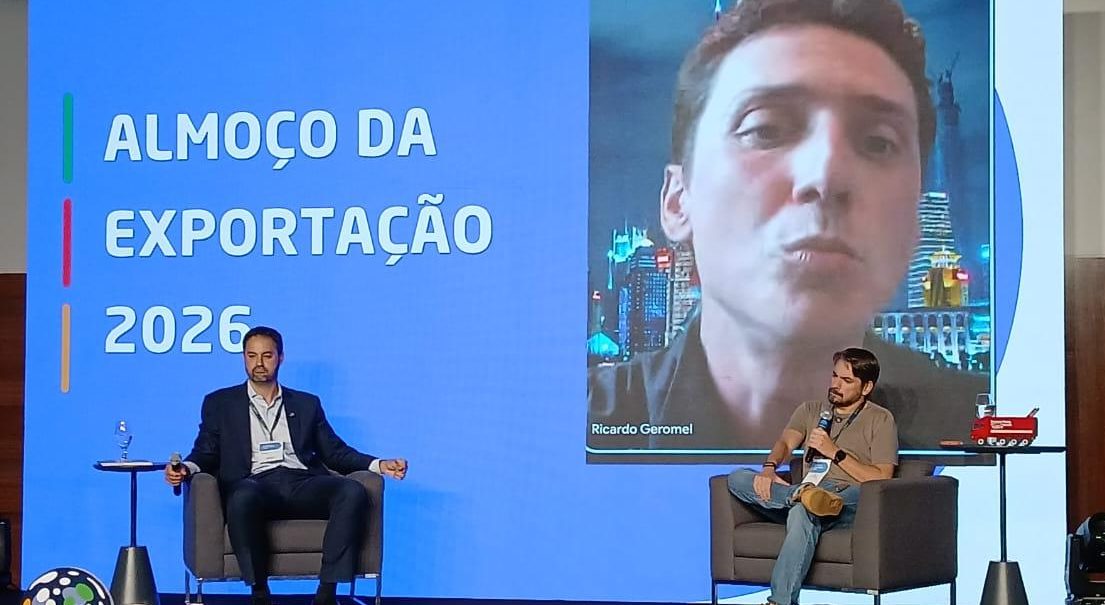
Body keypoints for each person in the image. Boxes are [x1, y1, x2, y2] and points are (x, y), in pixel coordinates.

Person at [588, 0, 984, 454]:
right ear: (678, 200)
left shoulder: (975, 423)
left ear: (914, 220)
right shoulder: (581, 419)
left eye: (878, 142)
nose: (825, 174)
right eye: (766, 129)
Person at [165, 326, 408, 605]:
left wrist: (378, 464)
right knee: (242, 496)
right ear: (243, 357)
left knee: (352, 491)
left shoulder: (306, 403)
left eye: (267, 355)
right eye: (251, 356)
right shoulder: (220, 403)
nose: (259, 363)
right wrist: (186, 468)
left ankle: (327, 592)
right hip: (253, 483)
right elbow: (205, 452)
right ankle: (259, 592)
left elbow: (335, 452)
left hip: (301, 481)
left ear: (280, 357)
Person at [726, 348, 898, 605]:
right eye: (835, 376)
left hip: (846, 498)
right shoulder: (811, 410)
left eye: (846, 380)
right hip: (806, 492)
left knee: (804, 510)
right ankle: (798, 495)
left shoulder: (881, 419)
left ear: (866, 387)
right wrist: (769, 469)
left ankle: (780, 602)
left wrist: (834, 452)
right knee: (738, 478)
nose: (836, 385)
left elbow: (882, 477)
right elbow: (786, 442)